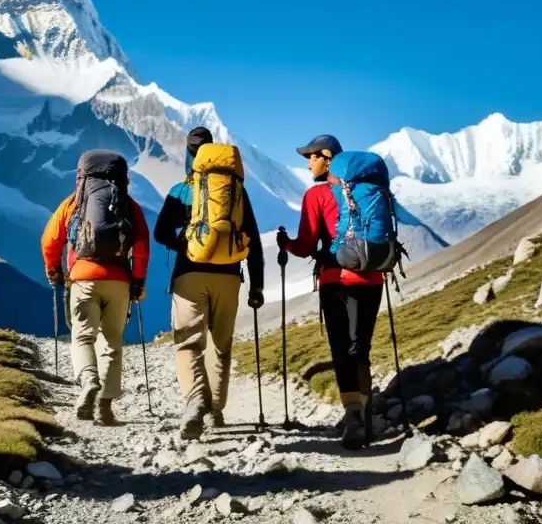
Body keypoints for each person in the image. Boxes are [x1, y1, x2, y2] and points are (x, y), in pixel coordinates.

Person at [154, 127, 265, 439]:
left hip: (190, 274)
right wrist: (257, 285)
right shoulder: (237, 193)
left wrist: (184, 242)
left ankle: (195, 401)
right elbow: (253, 240)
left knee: (189, 343)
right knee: (221, 345)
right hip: (230, 276)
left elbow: (160, 231)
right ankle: (216, 411)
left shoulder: (181, 190)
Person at [277, 134, 384, 449]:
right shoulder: (369, 191)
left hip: (337, 279)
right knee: (361, 348)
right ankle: (365, 414)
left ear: (327, 157)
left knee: (343, 350)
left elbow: (306, 244)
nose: (307, 162)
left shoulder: (317, 195)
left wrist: (286, 243)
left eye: (310, 156)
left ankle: (352, 418)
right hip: (373, 279)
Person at [41, 150, 150, 425]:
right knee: (112, 341)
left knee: (82, 336)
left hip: (83, 278)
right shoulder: (129, 206)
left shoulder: (74, 204)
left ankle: (89, 380)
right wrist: (137, 281)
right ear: (123, 178)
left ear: (82, 177)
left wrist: (54, 270)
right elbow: (142, 249)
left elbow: (49, 241)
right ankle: (105, 405)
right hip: (119, 282)